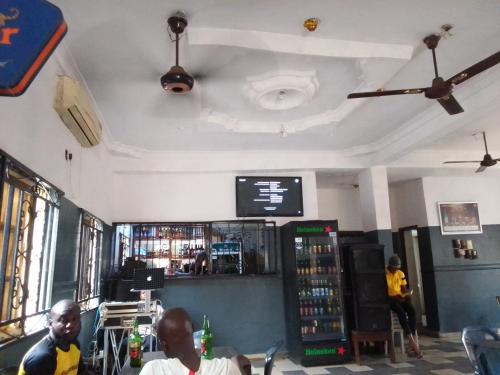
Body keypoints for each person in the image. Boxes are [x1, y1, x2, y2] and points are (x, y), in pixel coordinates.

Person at [139, 308, 251, 375]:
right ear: (193, 329)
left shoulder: (153, 369)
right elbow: (244, 362)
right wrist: (235, 360)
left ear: (164, 345)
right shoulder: (226, 368)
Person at [18, 300, 89, 375]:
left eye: (75, 319)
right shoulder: (43, 357)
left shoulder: (73, 344)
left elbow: (81, 372)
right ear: (50, 324)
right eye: (63, 320)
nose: (70, 325)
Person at [386, 254, 423, 358]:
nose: (395, 270)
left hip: (400, 297)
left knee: (412, 311)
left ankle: (411, 340)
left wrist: (407, 294)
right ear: (390, 266)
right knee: (401, 313)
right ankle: (410, 339)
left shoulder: (400, 273)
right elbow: (384, 291)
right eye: (394, 268)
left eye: (397, 268)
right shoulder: (385, 274)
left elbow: (403, 288)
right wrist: (397, 297)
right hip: (391, 299)